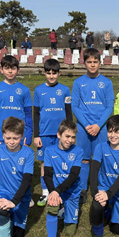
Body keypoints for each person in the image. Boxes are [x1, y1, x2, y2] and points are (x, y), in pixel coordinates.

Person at [71, 48, 115, 209]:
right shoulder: (78, 82)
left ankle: (101, 189)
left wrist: (98, 125)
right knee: (83, 159)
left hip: (100, 127)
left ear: (100, 63)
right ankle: (83, 189)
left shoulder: (106, 83)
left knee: (100, 159)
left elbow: (109, 106)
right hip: (83, 128)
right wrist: (86, 124)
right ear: (84, 63)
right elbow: (75, 106)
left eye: (95, 62)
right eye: (89, 62)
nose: (92, 65)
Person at [33, 58, 73, 207]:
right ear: (44, 73)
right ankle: (45, 191)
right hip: (44, 134)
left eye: (54, 73)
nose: (51, 76)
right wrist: (36, 135)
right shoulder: (38, 90)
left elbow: (68, 112)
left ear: (59, 73)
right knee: (45, 163)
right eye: (48, 73)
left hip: (60, 134)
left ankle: (59, 190)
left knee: (61, 160)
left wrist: (69, 132)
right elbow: (36, 113)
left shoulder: (65, 90)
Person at [42, 119, 83, 237]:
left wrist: (57, 191)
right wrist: (53, 192)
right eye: (67, 136)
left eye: (73, 137)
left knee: (70, 232)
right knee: (52, 205)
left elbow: (73, 176)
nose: (70, 140)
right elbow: (47, 175)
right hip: (56, 190)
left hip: (72, 191)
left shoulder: (78, 151)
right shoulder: (49, 150)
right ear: (59, 135)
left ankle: (66, 209)